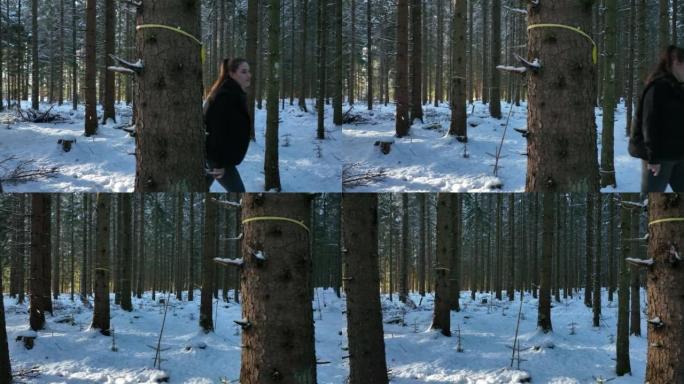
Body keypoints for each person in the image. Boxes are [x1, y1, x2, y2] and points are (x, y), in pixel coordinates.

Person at [630, 45, 684, 193]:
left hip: (678, 154)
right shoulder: (657, 87)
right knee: (652, 197)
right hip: (658, 157)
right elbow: (649, 124)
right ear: (676, 62)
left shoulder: (679, 88)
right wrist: (653, 158)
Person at [204, 58, 252, 192]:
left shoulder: (235, 94)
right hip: (219, 160)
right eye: (243, 72)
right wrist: (219, 164)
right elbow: (216, 131)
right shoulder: (226, 96)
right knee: (238, 191)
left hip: (221, 158)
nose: (249, 75)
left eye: (249, 71)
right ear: (231, 73)